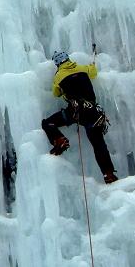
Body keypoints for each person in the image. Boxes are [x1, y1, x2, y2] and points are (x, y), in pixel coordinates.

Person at [41, 51, 118, 184]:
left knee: (48, 123)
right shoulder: (83, 68)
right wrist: (91, 66)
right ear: (68, 59)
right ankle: (108, 174)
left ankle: (59, 140)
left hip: (74, 112)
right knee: (98, 144)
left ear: (58, 64)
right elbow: (93, 73)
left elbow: (56, 93)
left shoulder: (59, 75)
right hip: (93, 113)